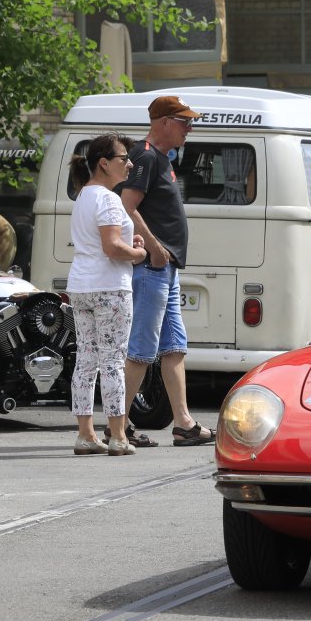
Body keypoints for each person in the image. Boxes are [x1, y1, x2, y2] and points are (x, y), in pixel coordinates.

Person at [120, 94, 216, 447]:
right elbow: (127, 206)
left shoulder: (159, 157)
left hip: (165, 269)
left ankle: (183, 423)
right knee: (141, 349)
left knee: (174, 346)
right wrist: (156, 248)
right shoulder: (145, 155)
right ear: (163, 122)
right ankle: (118, 424)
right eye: (184, 121)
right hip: (152, 268)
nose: (189, 128)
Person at [66, 133, 148, 456]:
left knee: (85, 361)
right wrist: (138, 254)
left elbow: (104, 243)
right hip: (110, 288)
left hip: (81, 286)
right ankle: (118, 436)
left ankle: (86, 434)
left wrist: (129, 246)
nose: (129, 164)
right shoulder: (109, 199)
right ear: (103, 163)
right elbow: (112, 248)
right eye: (123, 159)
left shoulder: (83, 196)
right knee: (113, 362)